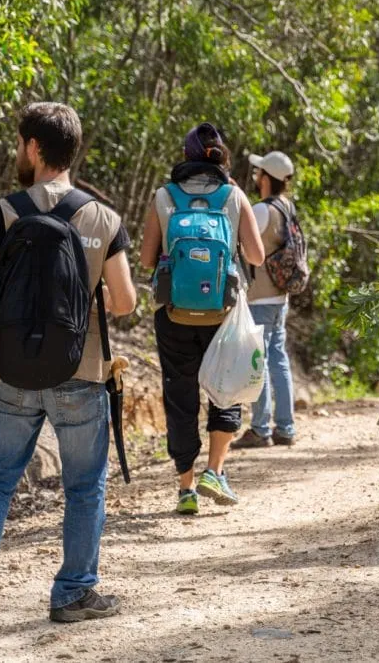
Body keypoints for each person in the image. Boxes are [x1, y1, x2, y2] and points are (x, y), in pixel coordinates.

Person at [0, 102, 137, 642]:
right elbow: (123, 302)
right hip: (82, 372)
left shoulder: (3, 214)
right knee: (84, 486)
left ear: (32, 147)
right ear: (73, 151)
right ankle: (74, 592)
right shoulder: (104, 218)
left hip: (9, 374)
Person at [140, 123, 265, 515]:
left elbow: (146, 260)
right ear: (221, 155)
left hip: (173, 312)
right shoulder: (234, 195)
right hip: (224, 313)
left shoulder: (164, 196)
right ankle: (215, 470)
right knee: (224, 387)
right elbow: (258, 257)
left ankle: (185, 488)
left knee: (179, 396)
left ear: (185, 153)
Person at [232, 151, 299, 449]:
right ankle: (285, 427)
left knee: (257, 361)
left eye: (259, 173)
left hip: (260, 297)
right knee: (278, 359)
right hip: (280, 296)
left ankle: (260, 428)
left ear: (266, 178)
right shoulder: (287, 207)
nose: (256, 177)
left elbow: (243, 242)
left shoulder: (262, 210)